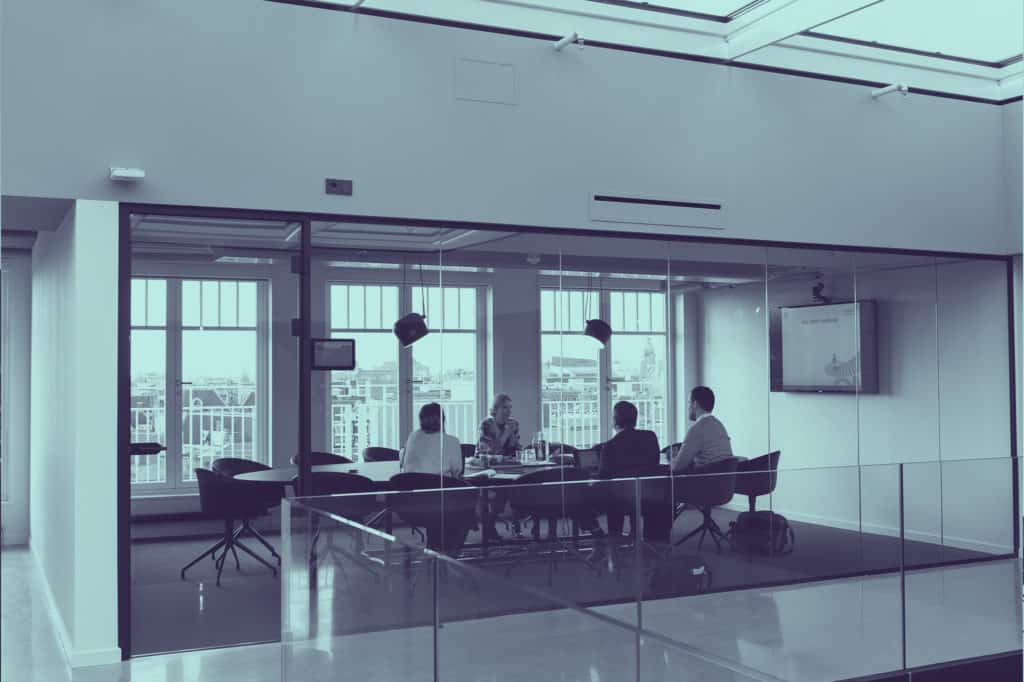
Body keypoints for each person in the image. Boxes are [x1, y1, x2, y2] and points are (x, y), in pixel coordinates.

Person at [592, 401, 663, 540]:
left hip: (621, 500)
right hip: (649, 495)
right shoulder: (650, 437)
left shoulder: (610, 447)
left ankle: (614, 541)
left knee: (612, 495)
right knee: (624, 491)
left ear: (615, 421)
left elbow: (603, 479)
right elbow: (654, 464)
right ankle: (634, 537)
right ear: (635, 419)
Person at [669, 386, 733, 473]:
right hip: (725, 483)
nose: (688, 408)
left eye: (689, 403)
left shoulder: (696, 430)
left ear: (695, 404)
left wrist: (672, 457)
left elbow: (676, 467)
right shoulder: (720, 426)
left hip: (704, 483)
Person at [400, 402, 464, 479]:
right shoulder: (453, 441)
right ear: (442, 420)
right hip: (440, 488)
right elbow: (457, 472)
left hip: (413, 487)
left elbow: (403, 464)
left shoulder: (413, 436)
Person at [476, 393, 521, 458]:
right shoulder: (486, 425)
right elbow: (489, 454)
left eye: (510, 407)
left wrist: (513, 439)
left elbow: (517, 451)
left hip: (508, 465)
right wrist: (506, 433)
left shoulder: (514, 424)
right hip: (485, 465)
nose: (509, 411)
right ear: (495, 409)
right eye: (504, 407)